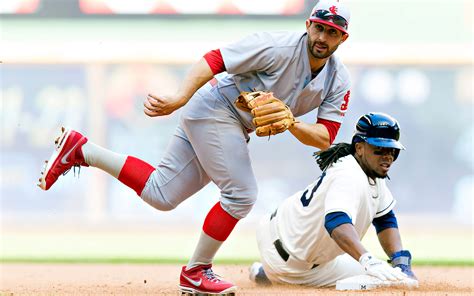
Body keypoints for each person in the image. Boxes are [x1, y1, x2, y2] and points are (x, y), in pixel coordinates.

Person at [38, 0, 352, 294]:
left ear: (343, 39)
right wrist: (180, 96)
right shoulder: (277, 46)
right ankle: (197, 271)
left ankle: (82, 150)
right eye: (319, 27)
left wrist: (293, 123)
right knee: (241, 195)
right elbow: (216, 58)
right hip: (216, 108)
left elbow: (325, 137)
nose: (323, 36)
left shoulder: (338, 79)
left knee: (162, 194)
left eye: (333, 32)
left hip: (230, 121)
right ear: (308, 25)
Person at [249, 112, 417, 288]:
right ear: (359, 148)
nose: (387, 156)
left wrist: (400, 260)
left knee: (383, 271)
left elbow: (385, 219)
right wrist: (367, 259)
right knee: (385, 280)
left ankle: (265, 273)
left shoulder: (368, 171)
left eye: (392, 150)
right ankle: (274, 275)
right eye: (379, 149)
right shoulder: (348, 175)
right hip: (292, 263)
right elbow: (336, 222)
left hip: (280, 236)